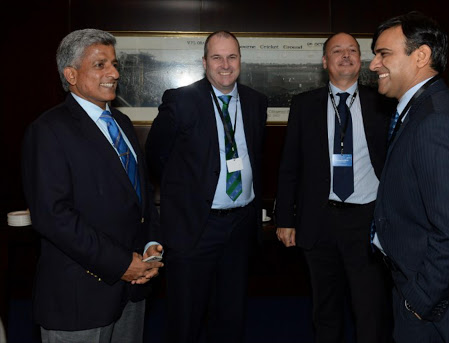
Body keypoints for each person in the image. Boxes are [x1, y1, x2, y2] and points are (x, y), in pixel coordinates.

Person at [22, 29, 164, 343]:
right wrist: (122, 264)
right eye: (100, 65)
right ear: (71, 74)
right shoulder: (48, 131)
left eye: (114, 64)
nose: (114, 73)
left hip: (133, 288)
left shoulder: (122, 123)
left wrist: (150, 244)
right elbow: (54, 217)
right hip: (79, 297)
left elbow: (139, 195)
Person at [369, 12, 449, 343]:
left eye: (383, 54)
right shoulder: (423, 109)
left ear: (421, 56)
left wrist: (418, 301)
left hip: (440, 308)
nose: (373, 65)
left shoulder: (436, 121)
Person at [145, 31, 267, 343]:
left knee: (231, 316)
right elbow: (156, 158)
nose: (225, 65)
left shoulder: (255, 102)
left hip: (240, 226)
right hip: (195, 228)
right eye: (217, 57)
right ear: (204, 62)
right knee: (186, 319)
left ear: (240, 60)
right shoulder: (181, 101)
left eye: (232, 57)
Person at [275, 32, 394, 343]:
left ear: (361, 60)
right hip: (319, 221)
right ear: (324, 61)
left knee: (370, 310)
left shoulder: (382, 102)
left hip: (367, 222)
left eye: (352, 50)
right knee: (325, 311)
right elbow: (289, 165)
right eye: (337, 51)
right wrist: (285, 219)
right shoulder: (304, 105)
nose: (345, 55)